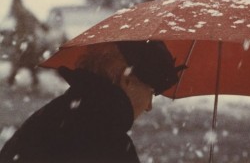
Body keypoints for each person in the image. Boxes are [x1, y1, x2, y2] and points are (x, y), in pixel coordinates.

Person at [0, 40, 184, 162]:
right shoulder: (106, 138)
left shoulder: (58, 114)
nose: (150, 106)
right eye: (151, 92)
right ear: (126, 79)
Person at [7, 0, 48, 88]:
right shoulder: (23, 13)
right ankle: (32, 80)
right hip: (27, 41)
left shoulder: (22, 13)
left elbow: (29, 25)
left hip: (25, 42)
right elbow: (37, 22)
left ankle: (12, 80)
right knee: (28, 62)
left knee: (21, 61)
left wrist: (23, 37)